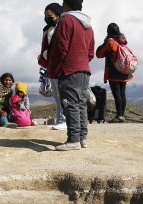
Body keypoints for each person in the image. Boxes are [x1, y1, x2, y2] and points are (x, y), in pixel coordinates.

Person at [47, 0, 95, 151]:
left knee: (69, 104)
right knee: (81, 104)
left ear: (66, 5)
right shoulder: (88, 25)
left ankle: (73, 139)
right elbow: (91, 51)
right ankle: (82, 138)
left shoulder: (67, 20)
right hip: (84, 70)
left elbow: (61, 47)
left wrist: (54, 68)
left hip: (69, 70)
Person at [96, 23, 133, 123]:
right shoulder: (122, 41)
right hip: (125, 71)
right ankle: (122, 115)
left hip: (114, 72)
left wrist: (105, 43)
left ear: (108, 31)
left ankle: (119, 116)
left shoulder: (110, 42)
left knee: (117, 94)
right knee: (122, 94)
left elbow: (99, 54)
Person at [39, 3, 66, 131]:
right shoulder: (47, 29)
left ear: (57, 14)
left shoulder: (62, 27)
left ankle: (64, 120)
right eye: (45, 15)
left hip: (62, 65)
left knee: (62, 94)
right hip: (51, 64)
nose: (47, 18)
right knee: (56, 94)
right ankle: (60, 119)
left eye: (49, 15)